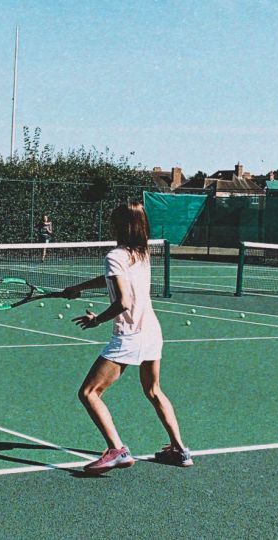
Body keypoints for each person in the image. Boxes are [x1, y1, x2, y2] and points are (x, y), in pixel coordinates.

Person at [62, 201, 193, 475]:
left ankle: (116, 450)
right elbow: (115, 278)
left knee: (89, 392)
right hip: (153, 333)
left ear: (119, 226)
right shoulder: (142, 254)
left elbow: (123, 301)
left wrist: (96, 319)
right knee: (154, 391)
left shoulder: (115, 255)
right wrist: (80, 287)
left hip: (129, 335)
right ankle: (180, 449)